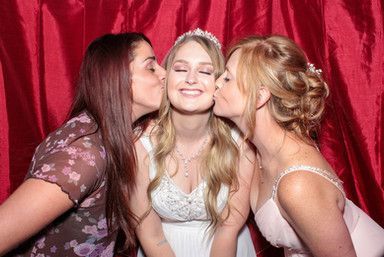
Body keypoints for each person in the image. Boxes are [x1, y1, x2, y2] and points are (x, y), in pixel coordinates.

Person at [213, 34, 384, 257]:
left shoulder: (297, 184)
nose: (216, 82)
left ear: (260, 97)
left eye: (227, 78)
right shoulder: (259, 152)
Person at [0, 32, 165, 256]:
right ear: (117, 77)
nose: (164, 74)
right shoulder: (84, 156)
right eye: (151, 67)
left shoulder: (107, 129)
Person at [130, 28, 257, 257]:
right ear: (165, 77)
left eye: (205, 72)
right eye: (180, 69)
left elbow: (228, 229)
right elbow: (150, 235)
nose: (191, 79)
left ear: (220, 82)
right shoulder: (139, 145)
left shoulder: (241, 143)